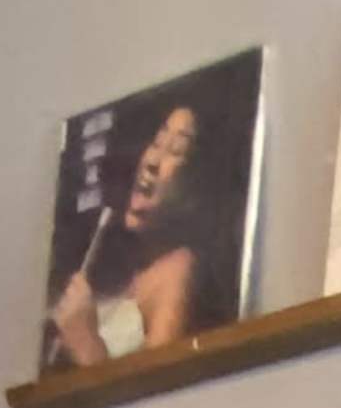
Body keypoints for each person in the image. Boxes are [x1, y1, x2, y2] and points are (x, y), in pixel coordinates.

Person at [44, 101, 215, 371]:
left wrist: (87, 344)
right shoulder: (128, 271)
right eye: (157, 143)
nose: (152, 161)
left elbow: (155, 397)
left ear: (196, 190)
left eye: (176, 150)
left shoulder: (178, 269)